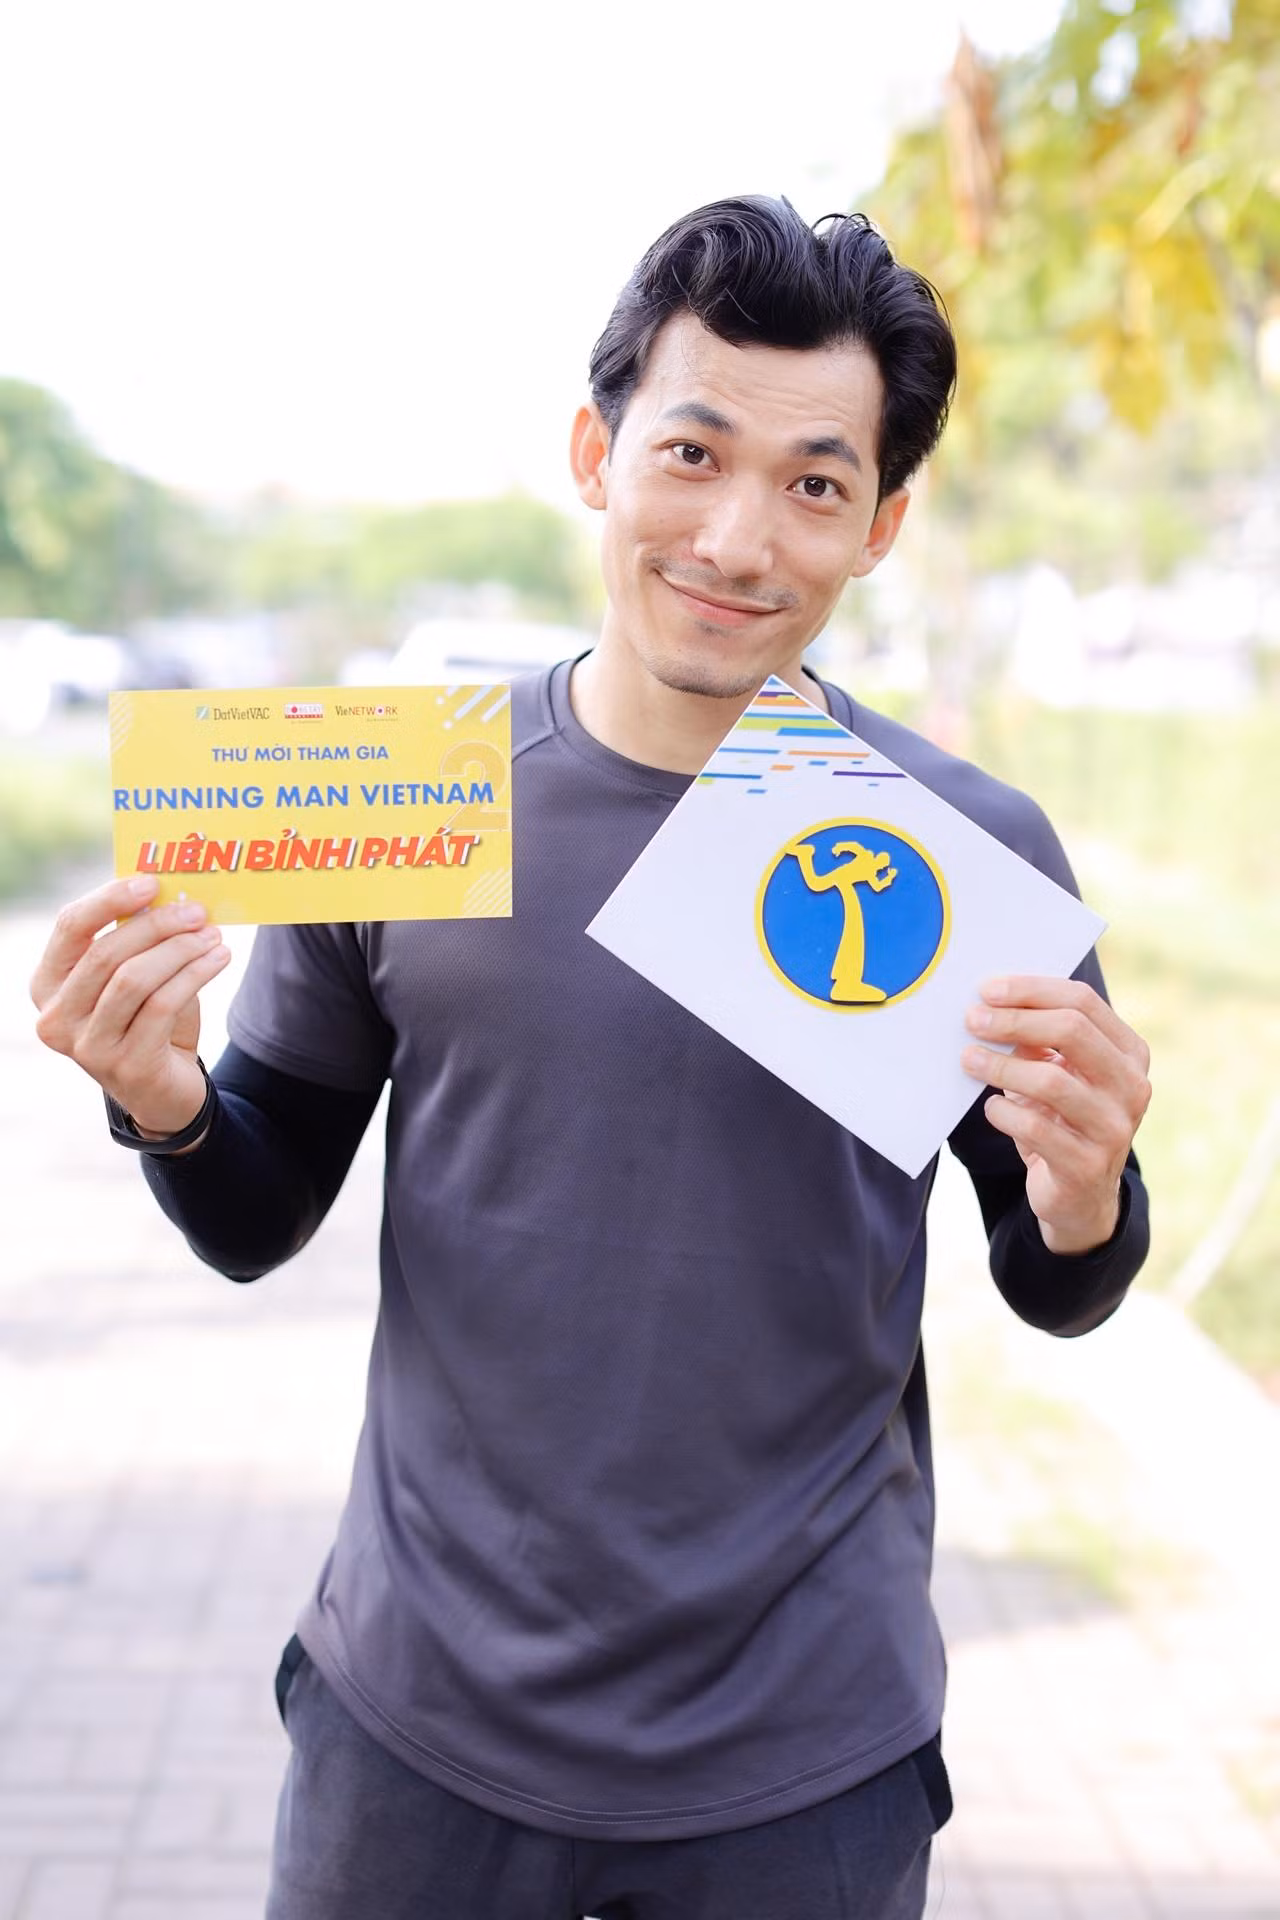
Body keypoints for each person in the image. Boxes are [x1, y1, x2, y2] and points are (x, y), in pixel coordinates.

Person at [31, 197, 1152, 1920]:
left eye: (816, 485)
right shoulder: (407, 793)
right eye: (690, 454)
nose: (737, 538)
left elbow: (1058, 1275)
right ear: (593, 454)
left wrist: (1085, 1199)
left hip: (802, 1761)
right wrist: (165, 1100)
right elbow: (256, 1208)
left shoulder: (956, 853)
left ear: (880, 526)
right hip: (417, 1729)